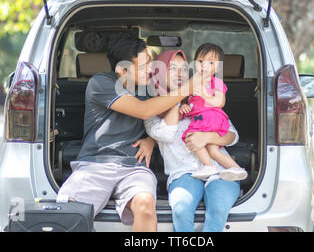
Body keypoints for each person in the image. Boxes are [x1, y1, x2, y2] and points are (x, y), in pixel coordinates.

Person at [57, 33, 197, 232]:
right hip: (96, 164)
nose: (150, 69)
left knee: (146, 206)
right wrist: (186, 90)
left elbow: (169, 123)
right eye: (142, 67)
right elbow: (144, 110)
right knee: (69, 211)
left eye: (149, 61)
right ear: (122, 71)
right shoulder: (100, 83)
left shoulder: (151, 87)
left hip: (134, 168)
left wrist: (151, 139)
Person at [145, 49, 241, 232]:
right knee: (181, 210)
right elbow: (165, 134)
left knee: (219, 208)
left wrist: (208, 137)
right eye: (172, 68)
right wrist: (179, 99)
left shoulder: (203, 98)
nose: (180, 73)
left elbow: (232, 136)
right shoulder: (150, 111)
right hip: (183, 174)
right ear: (159, 73)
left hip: (220, 170)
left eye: (183, 68)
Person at [181, 43, 247, 181]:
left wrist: (206, 95)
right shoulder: (191, 82)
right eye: (200, 61)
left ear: (217, 67)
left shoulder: (215, 82)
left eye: (210, 63)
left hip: (210, 117)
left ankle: (208, 165)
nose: (204, 66)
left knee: (191, 136)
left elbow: (220, 102)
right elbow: (186, 99)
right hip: (205, 118)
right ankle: (236, 169)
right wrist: (184, 106)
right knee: (213, 150)